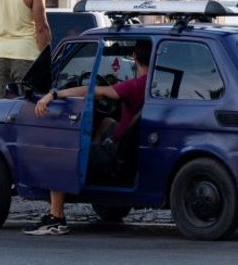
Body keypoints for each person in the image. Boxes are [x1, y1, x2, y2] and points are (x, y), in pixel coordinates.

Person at [24, 41, 152, 236]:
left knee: (59, 157)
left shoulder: (135, 86)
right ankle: (94, 173)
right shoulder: (154, 85)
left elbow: (92, 91)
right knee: (107, 121)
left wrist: (54, 93)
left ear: (135, 57)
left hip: (117, 151)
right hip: (128, 144)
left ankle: (56, 218)